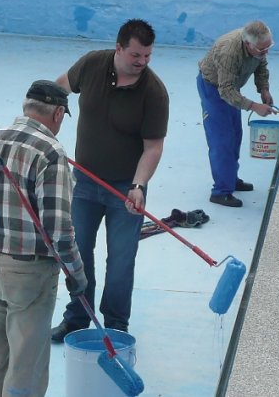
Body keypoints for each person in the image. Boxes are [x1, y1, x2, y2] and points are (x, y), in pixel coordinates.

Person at [50, 18, 169, 342]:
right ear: (118, 48)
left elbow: (153, 147)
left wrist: (139, 185)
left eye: (147, 56)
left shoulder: (154, 92)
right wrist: (47, 116)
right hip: (85, 184)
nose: (142, 62)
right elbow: (59, 87)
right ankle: (77, 318)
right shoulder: (92, 64)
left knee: (120, 260)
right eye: (136, 56)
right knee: (77, 253)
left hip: (124, 191)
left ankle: (116, 326)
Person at [0, 80, 86, 397]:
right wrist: (76, 273)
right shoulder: (51, 152)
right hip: (27, 272)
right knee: (26, 366)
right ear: (59, 114)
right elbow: (59, 229)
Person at [197, 21, 277, 208]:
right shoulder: (229, 51)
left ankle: (231, 178)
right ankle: (220, 191)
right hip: (214, 88)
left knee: (235, 135)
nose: (265, 53)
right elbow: (225, 91)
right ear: (248, 44)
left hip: (233, 88)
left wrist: (263, 89)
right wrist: (254, 106)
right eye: (261, 50)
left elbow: (261, 65)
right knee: (222, 140)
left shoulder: (258, 47)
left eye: (269, 47)